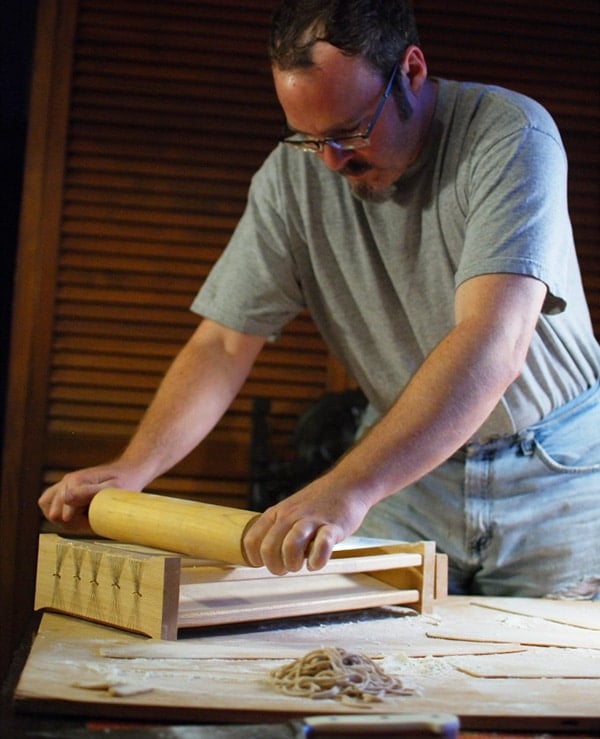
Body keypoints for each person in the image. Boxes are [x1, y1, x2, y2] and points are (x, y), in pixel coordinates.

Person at [39, 0, 600, 598]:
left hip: (558, 472)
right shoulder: (291, 177)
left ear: (410, 71)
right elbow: (225, 342)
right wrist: (137, 467)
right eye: (309, 139)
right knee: (366, 664)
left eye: (350, 131)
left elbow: (491, 343)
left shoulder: (509, 134)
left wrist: (346, 488)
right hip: (409, 476)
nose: (332, 162)